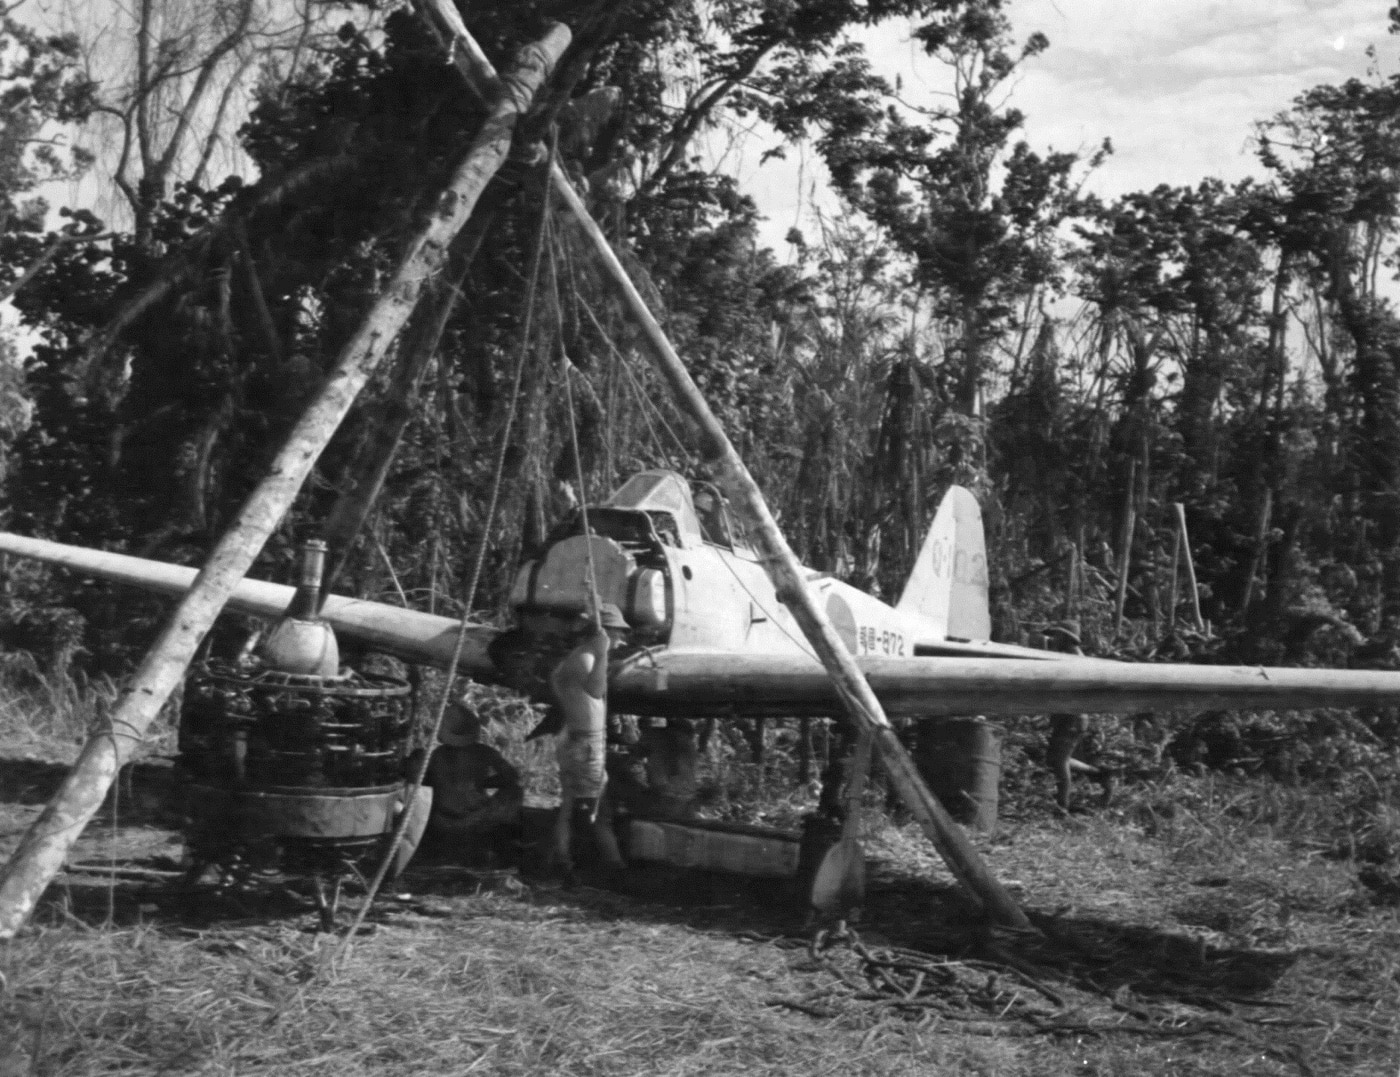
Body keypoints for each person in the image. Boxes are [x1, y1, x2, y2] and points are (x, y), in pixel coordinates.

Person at [549, 602, 629, 880]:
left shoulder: (576, 658)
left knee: (572, 804)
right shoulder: (586, 658)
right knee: (593, 809)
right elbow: (597, 690)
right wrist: (603, 651)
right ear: (602, 632)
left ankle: (563, 858)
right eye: (616, 633)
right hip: (585, 743)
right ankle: (597, 866)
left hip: (577, 738)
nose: (621, 639)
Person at [421, 701, 523, 864]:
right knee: (515, 791)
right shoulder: (485, 752)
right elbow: (512, 776)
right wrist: (481, 783)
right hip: (473, 819)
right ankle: (506, 839)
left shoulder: (436, 755)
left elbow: (429, 782)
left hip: (440, 819)